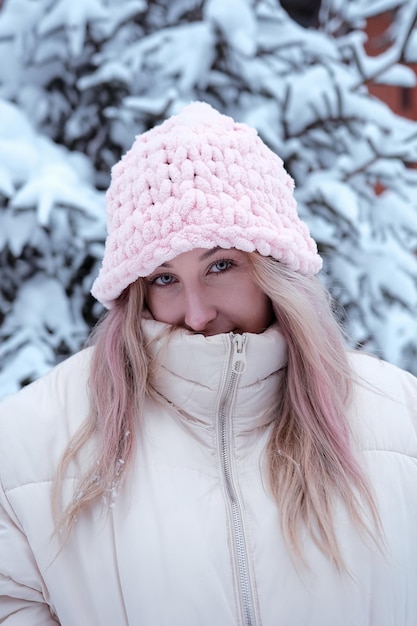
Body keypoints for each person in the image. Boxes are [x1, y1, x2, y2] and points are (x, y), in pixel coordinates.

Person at [0, 101, 416, 626]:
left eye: (221, 265)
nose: (197, 314)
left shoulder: (401, 418)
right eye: (164, 278)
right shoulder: (28, 444)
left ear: (276, 269)